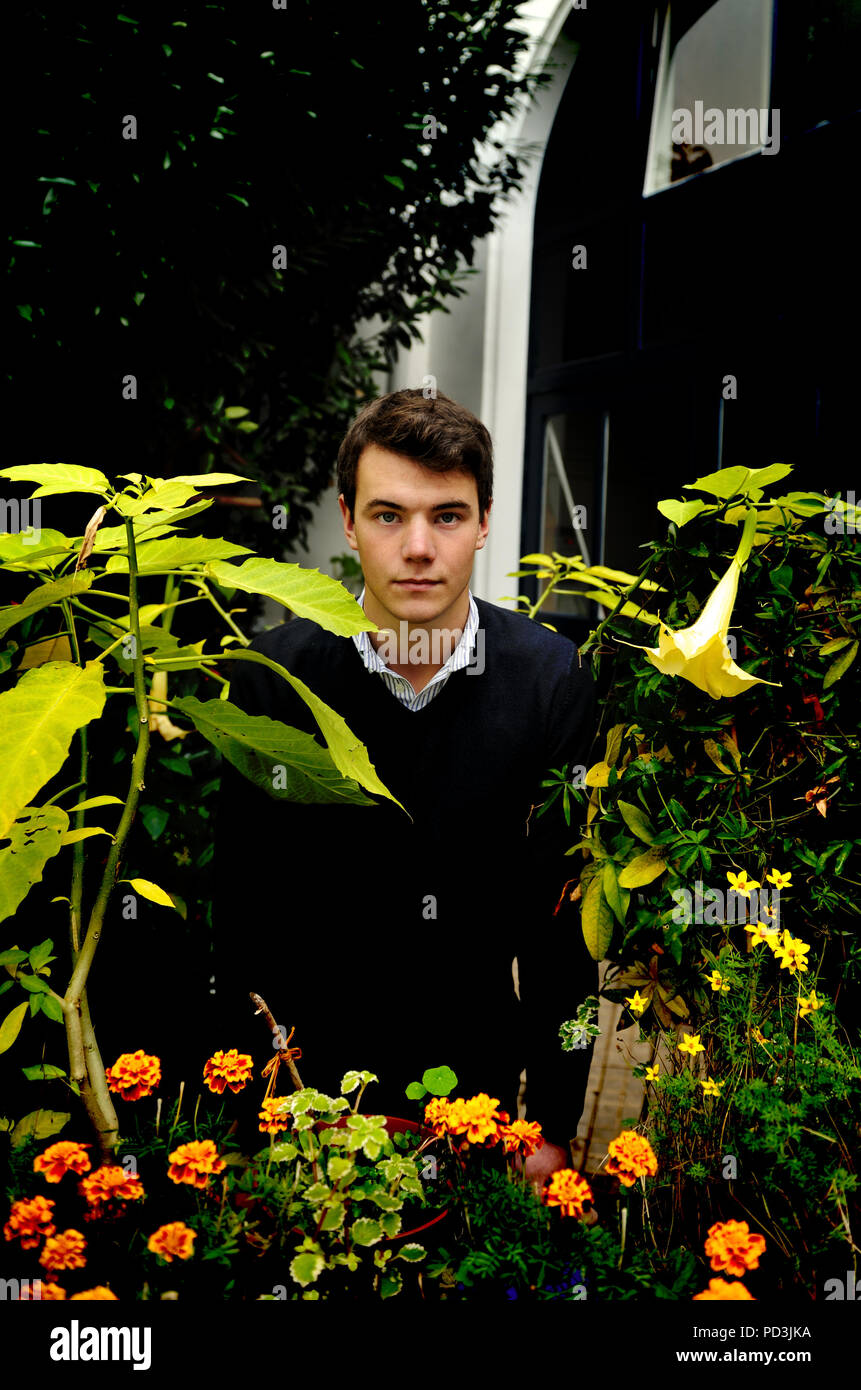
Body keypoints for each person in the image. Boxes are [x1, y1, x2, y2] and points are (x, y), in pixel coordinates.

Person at [212, 388, 597, 1183]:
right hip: (301, 1106)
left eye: (446, 516)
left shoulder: (548, 680)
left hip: (475, 1104)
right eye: (389, 515)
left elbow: (562, 938)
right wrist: (244, 1121)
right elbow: (239, 919)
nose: (418, 547)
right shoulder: (272, 678)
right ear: (347, 519)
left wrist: (553, 1124)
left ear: (485, 520)